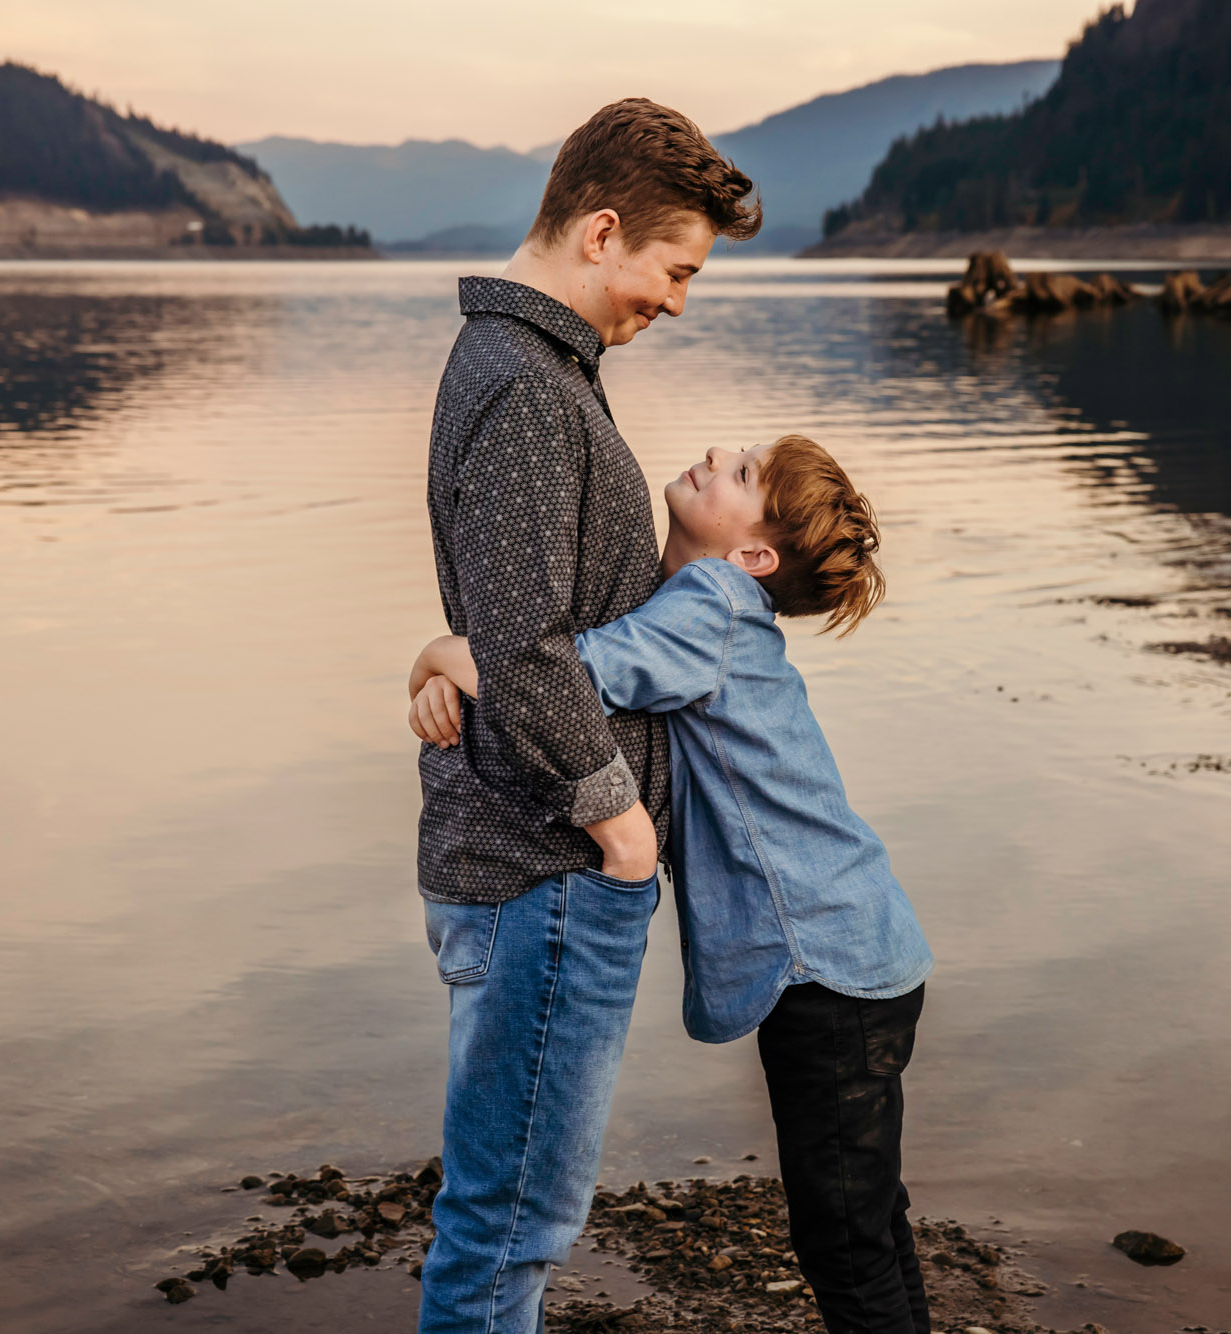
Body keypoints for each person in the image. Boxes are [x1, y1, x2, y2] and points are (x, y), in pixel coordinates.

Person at [410, 434, 936, 1334]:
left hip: (829, 965)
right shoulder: (704, 605)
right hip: (861, 949)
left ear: (755, 557)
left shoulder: (714, 603)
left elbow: (564, 681)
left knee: (844, 1238)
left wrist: (435, 653)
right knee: (868, 1217)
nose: (718, 451)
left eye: (741, 474)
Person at [406, 98, 759, 1334]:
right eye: (675, 269)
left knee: (511, 1226)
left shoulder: (548, 372)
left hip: (539, 869)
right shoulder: (521, 381)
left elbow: (523, 621)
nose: (676, 300)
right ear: (602, 232)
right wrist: (620, 826)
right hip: (544, 868)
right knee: (506, 1231)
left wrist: (446, 654)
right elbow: (529, 641)